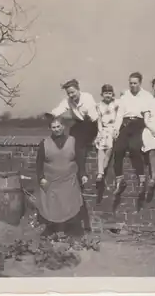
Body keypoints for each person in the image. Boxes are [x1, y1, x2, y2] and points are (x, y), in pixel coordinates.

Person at [50, 79, 97, 231]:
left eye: (73, 92)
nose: (72, 95)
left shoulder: (87, 98)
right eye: (69, 93)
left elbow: (94, 118)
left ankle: (82, 173)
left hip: (92, 123)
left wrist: (99, 135)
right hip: (80, 123)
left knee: (79, 142)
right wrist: (51, 116)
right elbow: (58, 109)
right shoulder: (68, 101)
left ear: (78, 90)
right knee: (71, 138)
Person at [35, 118, 85, 237]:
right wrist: (41, 178)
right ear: (50, 129)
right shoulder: (44, 143)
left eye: (58, 126)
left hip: (69, 180)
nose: (56, 129)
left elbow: (80, 159)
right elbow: (39, 163)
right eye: (54, 127)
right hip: (50, 182)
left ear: (63, 127)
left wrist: (83, 174)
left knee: (69, 204)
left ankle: (70, 232)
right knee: (50, 206)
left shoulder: (73, 141)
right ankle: (53, 232)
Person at [112, 72, 153, 195]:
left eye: (135, 83)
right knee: (118, 149)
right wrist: (115, 129)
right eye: (131, 83)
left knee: (135, 148)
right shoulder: (125, 97)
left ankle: (142, 180)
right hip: (126, 124)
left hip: (140, 124)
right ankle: (120, 180)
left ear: (140, 83)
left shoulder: (147, 96)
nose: (133, 85)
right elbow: (119, 115)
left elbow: (149, 114)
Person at [94, 84, 119, 186]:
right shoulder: (99, 105)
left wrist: (116, 129)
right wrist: (99, 132)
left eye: (109, 93)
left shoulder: (116, 105)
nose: (108, 95)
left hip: (113, 128)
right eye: (105, 93)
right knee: (100, 148)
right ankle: (100, 173)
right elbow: (99, 120)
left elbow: (118, 118)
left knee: (109, 147)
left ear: (112, 94)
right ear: (102, 94)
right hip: (103, 129)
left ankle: (103, 168)